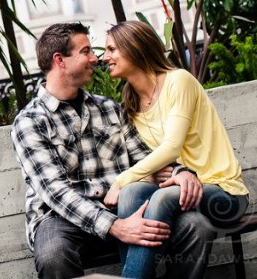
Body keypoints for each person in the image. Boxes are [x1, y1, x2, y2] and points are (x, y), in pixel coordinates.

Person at [12, 22, 213, 279]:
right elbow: (56, 192)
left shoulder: (109, 108)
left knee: (197, 227)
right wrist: (117, 227)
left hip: (123, 208)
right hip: (62, 219)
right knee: (53, 254)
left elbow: (144, 157)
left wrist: (180, 172)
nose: (95, 58)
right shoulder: (30, 122)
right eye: (85, 51)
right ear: (60, 60)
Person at [102, 20, 250, 279]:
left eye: (112, 49)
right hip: (180, 190)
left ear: (134, 47)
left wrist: (122, 179)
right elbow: (151, 159)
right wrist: (143, 179)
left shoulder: (178, 81)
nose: (105, 57)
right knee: (132, 192)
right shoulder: (131, 104)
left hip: (223, 191)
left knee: (154, 194)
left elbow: (171, 148)